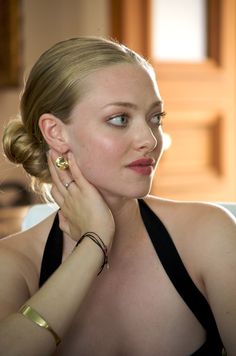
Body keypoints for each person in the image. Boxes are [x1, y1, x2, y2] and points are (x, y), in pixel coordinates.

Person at [0, 36, 235, 356]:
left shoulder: (209, 233)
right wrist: (94, 243)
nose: (150, 140)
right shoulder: (13, 264)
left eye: (156, 118)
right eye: (120, 119)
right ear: (55, 132)